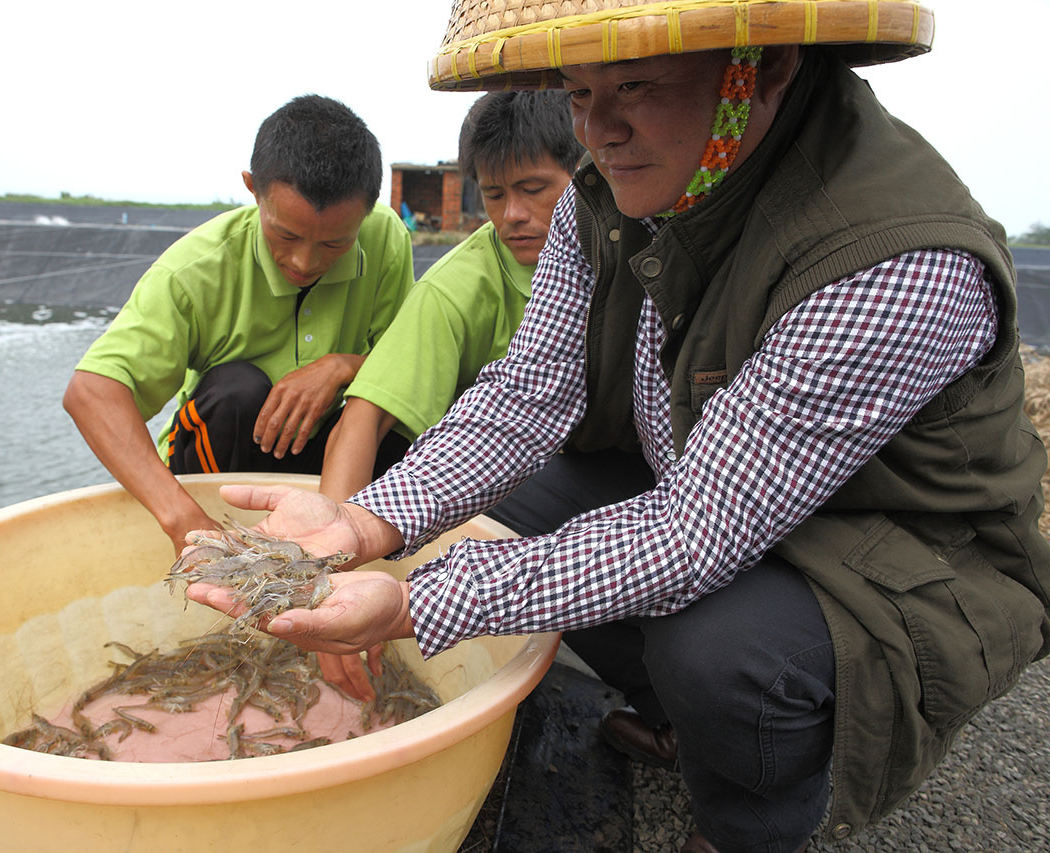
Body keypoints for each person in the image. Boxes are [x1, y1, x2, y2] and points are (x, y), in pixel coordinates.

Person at [186, 3, 1050, 852]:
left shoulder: (891, 256)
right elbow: (526, 395)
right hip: (710, 487)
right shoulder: (601, 201)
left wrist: (416, 601)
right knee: (518, 508)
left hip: (884, 549)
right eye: (579, 91)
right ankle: (688, 725)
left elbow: (694, 531)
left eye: (637, 83)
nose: (599, 131)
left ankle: (753, 823)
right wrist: (372, 519)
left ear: (768, 63)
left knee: (718, 649)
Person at [63, 95, 415, 553]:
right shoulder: (193, 271)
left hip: (331, 453)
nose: (304, 261)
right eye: (285, 234)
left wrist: (343, 366)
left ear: (366, 212)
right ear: (253, 189)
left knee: (389, 413)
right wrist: (182, 517)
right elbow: (91, 392)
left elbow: (406, 367)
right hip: (225, 452)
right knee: (237, 388)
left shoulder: (386, 237)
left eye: (334, 244)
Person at [318, 91, 580, 500]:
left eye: (533, 189)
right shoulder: (451, 289)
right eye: (494, 195)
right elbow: (363, 417)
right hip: (523, 475)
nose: (512, 214)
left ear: (585, 171)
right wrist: (331, 537)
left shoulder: (638, 248)